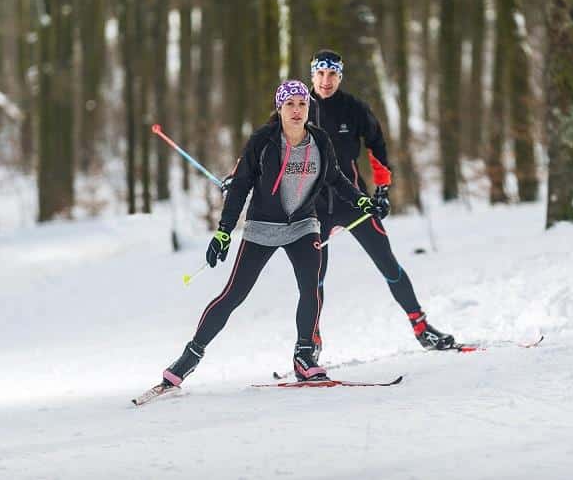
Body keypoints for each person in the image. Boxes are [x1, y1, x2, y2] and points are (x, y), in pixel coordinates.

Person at [160, 80, 388, 387]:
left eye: (302, 104)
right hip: (263, 227)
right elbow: (240, 186)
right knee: (233, 295)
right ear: (279, 108)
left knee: (311, 287)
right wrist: (224, 232)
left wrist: (361, 199)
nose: (296, 110)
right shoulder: (264, 140)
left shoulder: (319, 139)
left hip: (304, 225)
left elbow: (334, 177)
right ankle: (190, 356)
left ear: (309, 108)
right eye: (290, 104)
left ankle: (304, 356)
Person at [307, 49, 456, 356]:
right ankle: (311, 343)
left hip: (354, 201)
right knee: (313, 277)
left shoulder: (354, 109)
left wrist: (382, 191)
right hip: (314, 207)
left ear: (340, 76)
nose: (326, 81)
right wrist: (240, 177)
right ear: (312, 74)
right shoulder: (297, 106)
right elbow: (266, 147)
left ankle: (421, 327)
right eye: (320, 74)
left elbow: (377, 145)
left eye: (332, 74)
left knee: (387, 262)